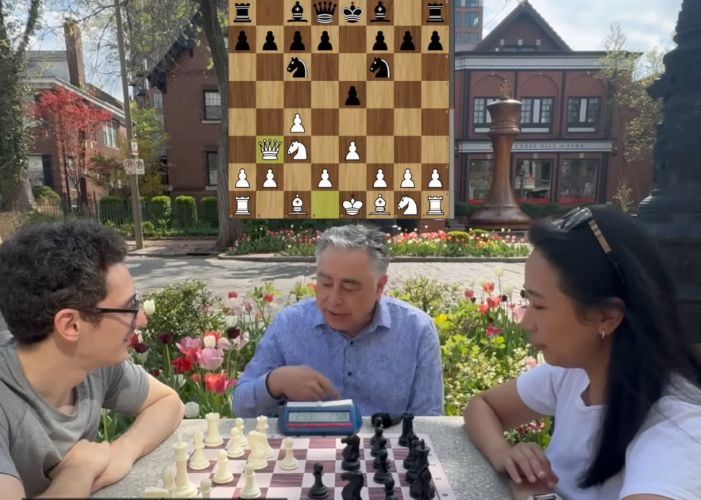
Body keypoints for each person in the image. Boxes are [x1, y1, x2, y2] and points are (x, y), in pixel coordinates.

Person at [464, 205, 701, 500]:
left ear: (606, 317)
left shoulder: (677, 430)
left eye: (539, 305)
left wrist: (534, 497)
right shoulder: (575, 373)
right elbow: (482, 406)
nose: (526, 322)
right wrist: (506, 457)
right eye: (527, 299)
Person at [0, 220, 185, 499]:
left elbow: (168, 402)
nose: (142, 320)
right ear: (71, 325)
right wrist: (78, 472)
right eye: (129, 308)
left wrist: (122, 452)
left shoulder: (94, 366)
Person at [233, 224, 444, 417]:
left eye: (349, 288)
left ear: (379, 287)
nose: (334, 299)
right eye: (325, 283)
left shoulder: (416, 330)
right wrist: (275, 381)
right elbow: (240, 406)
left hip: (384, 444)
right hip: (301, 443)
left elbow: (429, 419)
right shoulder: (289, 324)